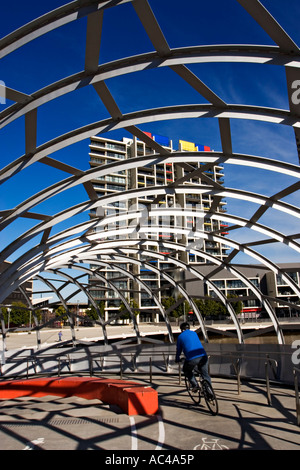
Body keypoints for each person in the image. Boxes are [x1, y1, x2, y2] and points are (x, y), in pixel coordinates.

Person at [175, 322, 211, 391]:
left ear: (182, 329)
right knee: (205, 374)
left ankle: (195, 385)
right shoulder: (194, 333)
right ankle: (210, 391)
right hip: (203, 356)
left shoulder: (180, 337)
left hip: (192, 358)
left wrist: (177, 358)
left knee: (186, 370)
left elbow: (179, 349)